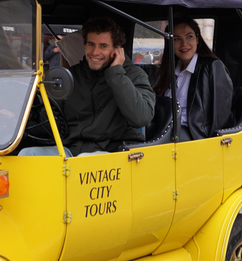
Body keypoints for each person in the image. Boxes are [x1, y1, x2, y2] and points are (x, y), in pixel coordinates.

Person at [22, 16, 155, 156]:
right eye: (91, 44)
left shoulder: (133, 75)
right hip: (71, 149)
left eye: (103, 46)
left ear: (117, 50)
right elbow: (48, 123)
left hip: (115, 152)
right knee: (28, 154)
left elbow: (141, 117)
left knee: (84, 159)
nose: (95, 52)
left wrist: (116, 74)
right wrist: (24, 116)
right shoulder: (72, 76)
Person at [153, 15, 232, 141]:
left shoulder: (212, 67)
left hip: (194, 136)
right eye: (177, 39)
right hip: (166, 130)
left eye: (189, 37)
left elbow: (220, 116)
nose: (184, 44)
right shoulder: (169, 70)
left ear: (197, 39)